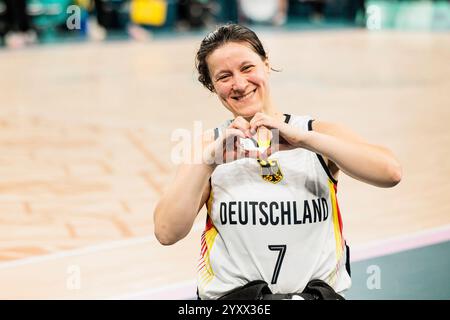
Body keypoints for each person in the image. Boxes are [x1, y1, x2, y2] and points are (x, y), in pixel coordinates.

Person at [154, 24, 402, 300]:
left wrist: (305, 140)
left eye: (247, 68)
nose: (238, 83)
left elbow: (390, 172)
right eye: (224, 76)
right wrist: (208, 162)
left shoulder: (314, 133)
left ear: (266, 64)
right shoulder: (208, 145)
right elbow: (166, 232)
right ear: (212, 86)